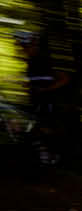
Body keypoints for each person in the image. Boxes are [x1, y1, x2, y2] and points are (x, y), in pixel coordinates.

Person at [13, 30, 70, 164]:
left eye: (24, 47)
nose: (22, 50)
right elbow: (37, 81)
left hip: (46, 102)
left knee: (41, 128)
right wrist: (28, 85)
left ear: (32, 45)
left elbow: (64, 78)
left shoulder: (42, 59)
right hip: (36, 101)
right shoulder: (31, 63)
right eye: (21, 47)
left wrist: (46, 89)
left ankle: (52, 156)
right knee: (28, 127)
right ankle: (44, 156)